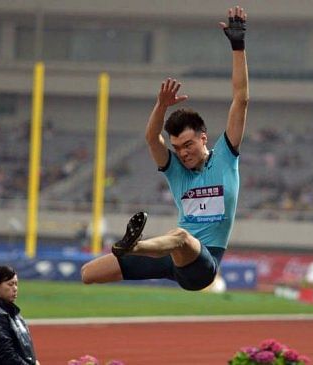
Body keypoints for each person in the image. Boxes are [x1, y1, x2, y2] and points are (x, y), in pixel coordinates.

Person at [81, 5, 249, 291]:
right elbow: (151, 138)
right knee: (88, 272)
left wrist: (238, 46)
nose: (182, 153)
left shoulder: (226, 156)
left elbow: (241, 98)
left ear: (203, 138)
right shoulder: (175, 171)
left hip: (203, 263)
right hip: (170, 256)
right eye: (177, 147)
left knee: (181, 236)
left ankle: (135, 246)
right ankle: (134, 248)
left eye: (188, 145)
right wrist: (161, 106)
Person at [0, 265, 40, 365]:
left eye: (16, 284)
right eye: (10, 284)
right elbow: (7, 356)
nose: (15, 288)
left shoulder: (12, 312)